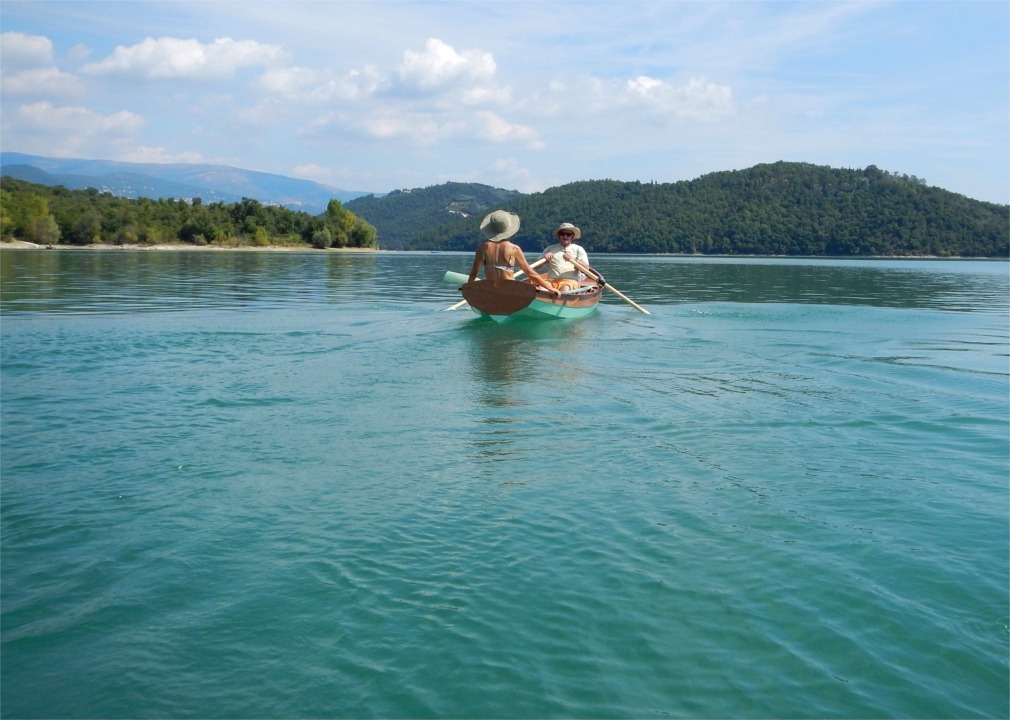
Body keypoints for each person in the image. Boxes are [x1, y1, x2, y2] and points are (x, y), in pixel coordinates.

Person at [468, 210, 561, 295]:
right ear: (507, 229)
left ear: (491, 229)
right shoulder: (514, 249)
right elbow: (531, 274)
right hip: (510, 290)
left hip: (492, 290)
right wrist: (550, 288)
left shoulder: (482, 248)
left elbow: (474, 273)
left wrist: (468, 287)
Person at [541, 222, 589, 291]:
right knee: (541, 289)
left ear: (572, 236)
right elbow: (537, 267)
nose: (565, 236)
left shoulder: (579, 249)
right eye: (562, 234)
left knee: (565, 289)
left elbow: (586, 269)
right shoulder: (550, 248)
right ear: (559, 235)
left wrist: (573, 260)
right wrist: (544, 258)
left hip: (570, 282)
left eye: (568, 234)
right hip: (551, 281)